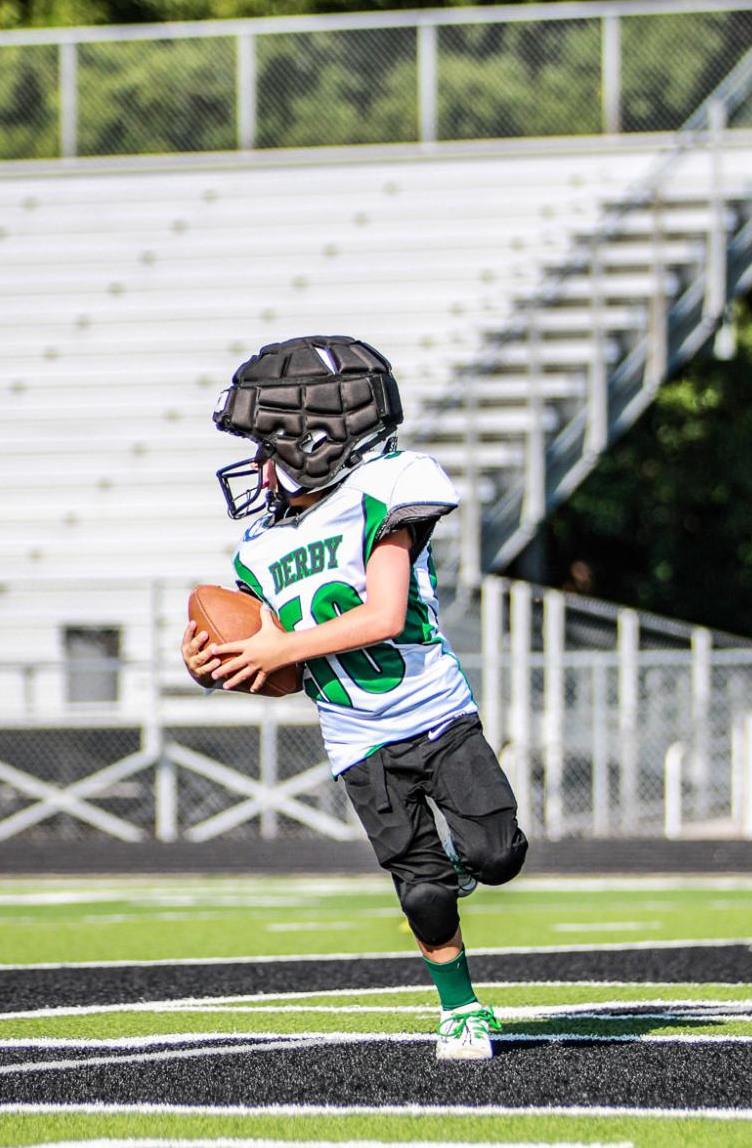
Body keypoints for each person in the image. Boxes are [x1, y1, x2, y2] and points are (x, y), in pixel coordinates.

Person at [181, 335, 527, 1061]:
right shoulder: (259, 549)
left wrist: (280, 647)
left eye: (266, 447)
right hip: (359, 742)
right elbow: (274, 671)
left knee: (497, 853)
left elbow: (384, 615)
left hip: (436, 715)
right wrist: (212, 664)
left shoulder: (387, 492)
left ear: (316, 440)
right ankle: (460, 1008)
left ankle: (460, 862)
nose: (256, 468)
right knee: (422, 892)